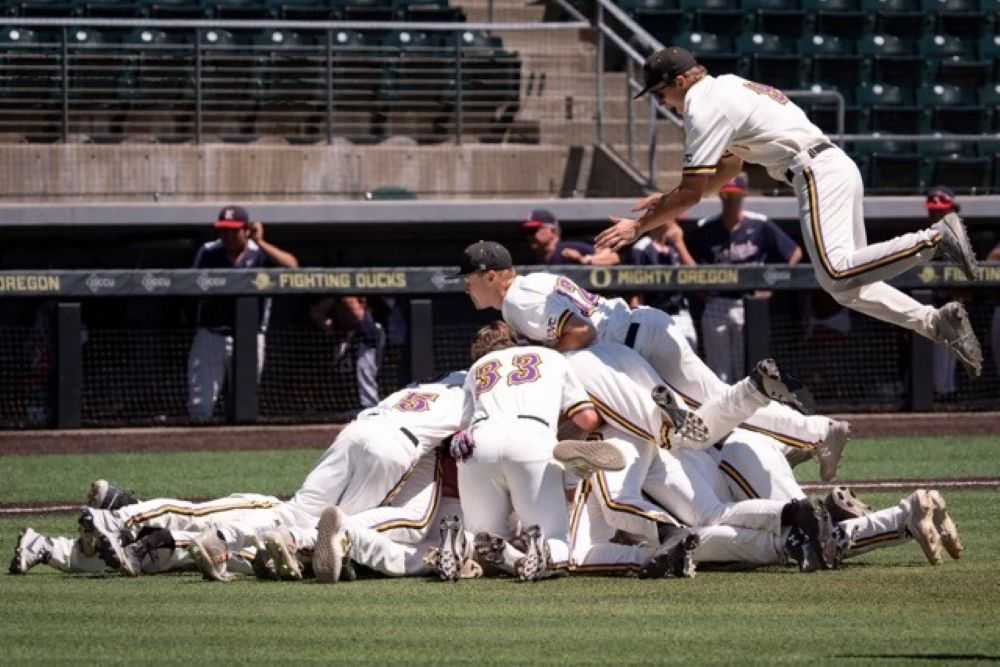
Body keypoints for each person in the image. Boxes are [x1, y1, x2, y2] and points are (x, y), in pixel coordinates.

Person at [596, 46, 984, 377]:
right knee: (848, 288)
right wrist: (668, 197)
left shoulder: (702, 104)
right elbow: (728, 170)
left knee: (835, 271)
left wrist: (640, 226)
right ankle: (935, 322)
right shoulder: (727, 85)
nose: (662, 103)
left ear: (679, 81)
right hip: (830, 166)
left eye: (660, 93)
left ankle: (935, 238)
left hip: (813, 170)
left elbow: (692, 194)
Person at [458, 240, 850, 477]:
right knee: (715, 403)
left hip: (630, 347)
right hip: (639, 329)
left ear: (492, 275)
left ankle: (813, 432)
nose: (465, 286)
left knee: (699, 420)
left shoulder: (516, 302)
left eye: (469, 277)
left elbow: (582, 333)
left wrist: (551, 362)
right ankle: (809, 433)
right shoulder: (535, 281)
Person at [187, 206, 299, 421]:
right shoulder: (209, 251)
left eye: (233, 230)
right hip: (212, 334)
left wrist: (260, 242)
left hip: (250, 336)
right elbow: (191, 285)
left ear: (246, 230)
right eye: (223, 230)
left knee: (243, 403)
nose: (227, 235)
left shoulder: (260, 252)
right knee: (201, 405)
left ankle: (235, 450)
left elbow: (292, 267)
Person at [689, 173, 802, 382]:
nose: (731, 201)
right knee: (718, 373)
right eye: (727, 196)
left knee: (747, 369)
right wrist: (700, 292)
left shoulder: (759, 224)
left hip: (749, 304)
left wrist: (771, 285)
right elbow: (687, 262)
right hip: (717, 302)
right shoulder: (706, 227)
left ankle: (746, 415)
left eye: (736, 196)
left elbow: (794, 252)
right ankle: (723, 414)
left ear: (743, 196)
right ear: (720, 197)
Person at [629, 216, 698, 351]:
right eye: (672, 215)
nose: (675, 222)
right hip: (653, 314)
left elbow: (697, 277)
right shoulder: (642, 247)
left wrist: (679, 243)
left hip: (681, 313)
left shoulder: (677, 244)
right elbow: (635, 292)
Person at [310, 295, 386, 408]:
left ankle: (370, 408)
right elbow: (316, 313)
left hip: (367, 332)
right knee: (345, 369)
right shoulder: (334, 297)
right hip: (348, 334)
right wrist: (331, 326)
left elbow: (358, 315)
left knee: (365, 369)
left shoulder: (350, 297)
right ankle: (355, 406)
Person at [523, 208, 619, 266]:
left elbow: (613, 257)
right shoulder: (535, 258)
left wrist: (583, 259)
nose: (530, 235)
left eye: (534, 230)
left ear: (552, 230)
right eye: (527, 231)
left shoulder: (566, 249)